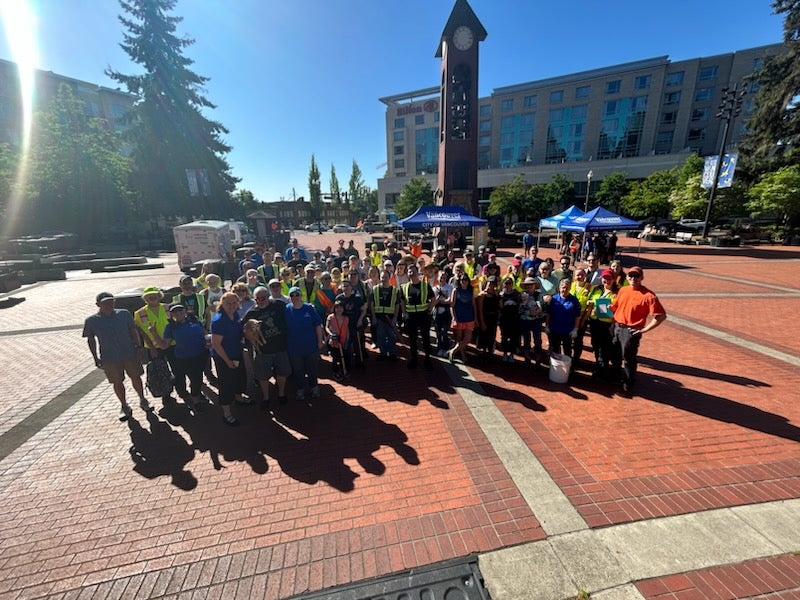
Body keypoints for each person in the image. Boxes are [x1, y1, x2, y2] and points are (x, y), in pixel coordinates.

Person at [83, 292, 149, 421]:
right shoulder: (91, 321)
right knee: (117, 382)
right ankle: (124, 405)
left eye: (111, 302)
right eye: (105, 303)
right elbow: (91, 339)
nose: (109, 305)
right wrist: (95, 357)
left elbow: (133, 330)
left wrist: (138, 347)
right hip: (109, 357)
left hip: (129, 352)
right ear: (98, 304)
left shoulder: (123, 314)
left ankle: (142, 399)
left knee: (136, 377)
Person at [610, 266, 667, 394]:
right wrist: (610, 307)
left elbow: (661, 316)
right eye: (630, 275)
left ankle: (628, 384)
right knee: (615, 355)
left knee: (628, 358)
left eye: (636, 276)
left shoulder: (648, 295)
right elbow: (617, 306)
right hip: (618, 326)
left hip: (631, 331)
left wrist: (645, 329)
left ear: (642, 278)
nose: (633, 278)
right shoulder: (623, 290)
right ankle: (616, 378)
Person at [153, 304, 208, 412]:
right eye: (175, 312)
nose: (178, 314)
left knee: (198, 378)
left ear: (185, 311)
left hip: (201, 354)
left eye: (180, 311)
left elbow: (204, 333)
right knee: (195, 378)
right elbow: (164, 345)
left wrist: (208, 342)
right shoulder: (171, 326)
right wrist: (154, 333)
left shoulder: (194, 320)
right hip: (185, 358)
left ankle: (196, 394)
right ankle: (196, 401)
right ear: (171, 314)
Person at [242, 286, 290, 409]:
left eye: (263, 298)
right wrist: (248, 331)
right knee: (263, 377)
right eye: (257, 299)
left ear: (268, 297)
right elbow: (243, 329)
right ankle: (266, 397)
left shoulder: (278, 305)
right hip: (263, 351)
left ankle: (281, 394)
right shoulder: (252, 312)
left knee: (282, 374)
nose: (260, 301)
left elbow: (291, 315)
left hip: (280, 347)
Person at [134, 286, 179, 402]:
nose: (152, 298)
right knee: (160, 371)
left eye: (154, 295)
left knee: (177, 369)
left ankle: (180, 389)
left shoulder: (167, 308)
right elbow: (143, 333)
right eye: (149, 296)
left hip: (171, 344)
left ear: (159, 296)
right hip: (153, 348)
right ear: (145, 299)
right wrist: (152, 348)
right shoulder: (140, 313)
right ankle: (166, 394)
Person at [210, 291, 246, 426]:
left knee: (240, 378)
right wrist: (227, 361)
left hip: (237, 353)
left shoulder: (235, 315)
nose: (231, 306)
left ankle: (239, 399)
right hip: (224, 357)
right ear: (222, 304)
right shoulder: (219, 321)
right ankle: (227, 413)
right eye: (228, 303)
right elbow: (216, 344)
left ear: (238, 303)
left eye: (233, 303)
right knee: (226, 384)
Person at [285, 286, 325, 402]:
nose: (295, 297)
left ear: (301, 295)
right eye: (292, 295)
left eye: (297, 294)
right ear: (289, 297)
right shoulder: (286, 309)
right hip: (294, 347)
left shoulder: (309, 308)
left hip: (310, 346)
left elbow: (318, 325)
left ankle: (314, 387)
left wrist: (320, 341)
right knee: (298, 370)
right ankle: (300, 389)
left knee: (312, 368)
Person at [400, 264, 436, 370]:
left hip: (423, 316)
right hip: (411, 317)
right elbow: (402, 301)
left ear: (418, 272)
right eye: (410, 272)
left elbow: (433, 299)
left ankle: (428, 358)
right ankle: (414, 359)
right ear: (407, 274)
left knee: (425, 338)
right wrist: (404, 313)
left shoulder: (425, 285)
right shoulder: (404, 287)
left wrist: (429, 310)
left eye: (414, 271)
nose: (412, 274)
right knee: (412, 339)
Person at [587, 269, 619, 379]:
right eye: (605, 278)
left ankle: (602, 369)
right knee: (595, 344)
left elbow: (617, 311)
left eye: (609, 278)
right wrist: (590, 303)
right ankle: (598, 365)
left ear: (614, 280)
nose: (606, 280)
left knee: (604, 347)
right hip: (594, 321)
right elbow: (589, 300)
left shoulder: (616, 294)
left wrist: (613, 325)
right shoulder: (596, 290)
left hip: (606, 324)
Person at [545, 278, 582, 361]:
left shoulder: (574, 300)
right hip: (554, 329)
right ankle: (555, 369)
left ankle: (568, 369)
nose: (564, 289)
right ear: (559, 287)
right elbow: (548, 314)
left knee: (567, 351)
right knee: (555, 350)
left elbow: (577, 316)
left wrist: (575, 329)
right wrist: (547, 326)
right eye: (563, 287)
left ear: (570, 288)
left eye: (567, 288)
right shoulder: (553, 299)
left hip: (567, 331)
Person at [370, 270, 400, 360]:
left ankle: (392, 354)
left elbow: (397, 305)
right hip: (379, 318)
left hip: (390, 318)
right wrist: (374, 317)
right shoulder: (375, 289)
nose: (384, 279)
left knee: (391, 337)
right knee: (380, 337)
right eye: (382, 277)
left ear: (389, 277)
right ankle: (383, 354)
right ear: (380, 278)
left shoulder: (395, 290)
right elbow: (371, 304)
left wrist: (395, 318)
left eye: (386, 277)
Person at [449, 273, 476, 363]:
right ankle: (463, 355)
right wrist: (454, 318)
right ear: (459, 281)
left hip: (469, 317)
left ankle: (453, 351)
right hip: (459, 317)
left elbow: (473, 304)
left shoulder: (471, 290)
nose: (464, 281)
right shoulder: (456, 290)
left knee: (467, 338)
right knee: (459, 338)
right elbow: (452, 306)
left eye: (465, 279)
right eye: (462, 280)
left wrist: (475, 317)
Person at [518, 277, 546, 364]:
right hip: (525, 320)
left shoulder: (539, 295)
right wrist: (528, 312)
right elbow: (519, 310)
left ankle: (538, 356)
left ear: (535, 286)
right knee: (526, 338)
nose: (529, 287)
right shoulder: (522, 295)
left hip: (536, 320)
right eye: (527, 285)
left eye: (531, 285)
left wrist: (539, 311)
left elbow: (543, 307)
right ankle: (527, 356)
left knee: (537, 338)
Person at [498, 276, 522, 363]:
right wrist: (500, 298)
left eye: (510, 283)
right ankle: (505, 353)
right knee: (504, 336)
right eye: (506, 283)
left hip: (514, 317)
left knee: (513, 337)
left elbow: (519, 304)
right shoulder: (501, 294)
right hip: (504, 317)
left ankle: (512, 354)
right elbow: (500, 307)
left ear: (512, 284)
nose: (508, 285)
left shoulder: (516, 293)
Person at [326, 299, 351, 380]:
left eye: (341, 308)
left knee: (343, 357)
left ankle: (344, 370)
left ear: (343, 309)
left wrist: (347, 339)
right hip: (333, 341)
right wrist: (331, 334)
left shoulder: (346, 318)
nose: (339, 310)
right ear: (334, 308)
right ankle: (335, 372)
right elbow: (326, 327)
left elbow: (347, 329)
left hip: (343, 341)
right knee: (335, 357)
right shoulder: (330, 317)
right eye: (337, 308)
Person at [476, 275, 500, 359]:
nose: (491, 286)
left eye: (493, 284)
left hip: (493, 319)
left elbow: (499, 306)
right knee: (483, 338)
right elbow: (479, 310)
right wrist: (482, 323)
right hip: (485, 318)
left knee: (492, 337)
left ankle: (490, 353)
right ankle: (483, 354)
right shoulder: (482, 295)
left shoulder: (496, 294)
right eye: (489, 283)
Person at [432, 270, 454, 358]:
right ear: (438, 278)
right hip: (436, 313)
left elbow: (450, 301)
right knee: (438, 332)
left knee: (444, 331)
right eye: (441, 277)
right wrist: (441, 301)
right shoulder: (434, 289)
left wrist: (440, 301)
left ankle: (445, 348)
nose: (442, 279)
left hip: (446, 313)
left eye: (444, 278)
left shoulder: (450, 288)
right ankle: (440, 348)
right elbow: (433, 301)